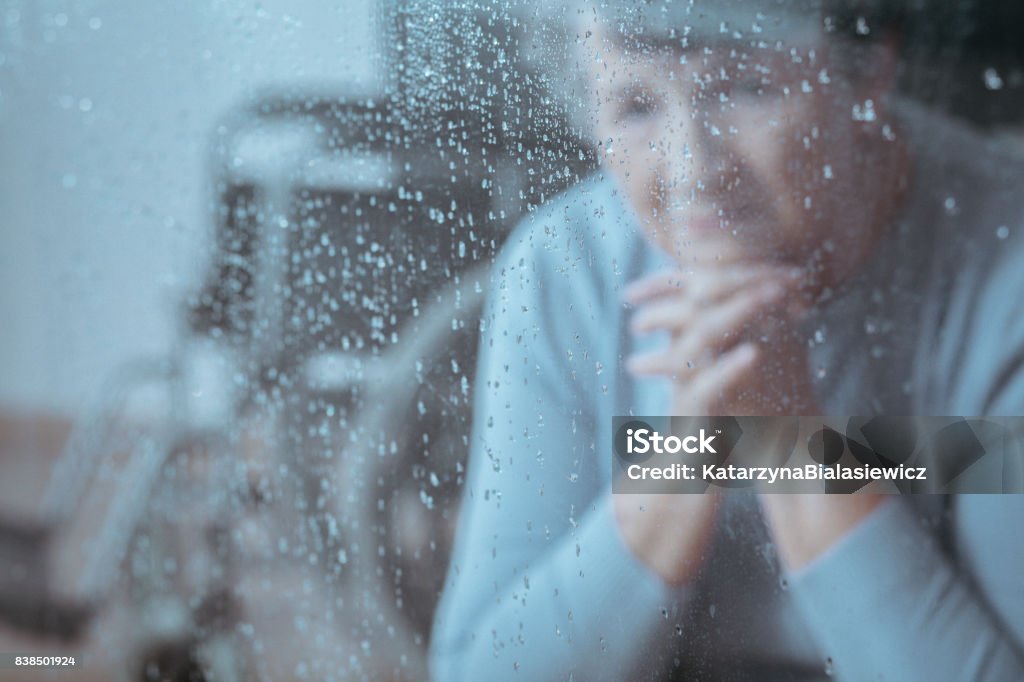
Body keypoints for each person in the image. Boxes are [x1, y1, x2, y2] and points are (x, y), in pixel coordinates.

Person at [430, 1, 1024, 679]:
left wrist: (787, 434)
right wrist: (691, 452)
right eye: (634, 108)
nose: (694, 168)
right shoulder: (562, 272)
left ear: (869, 72)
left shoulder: (1006, 271)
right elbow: (484, 669)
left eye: (747, 88)